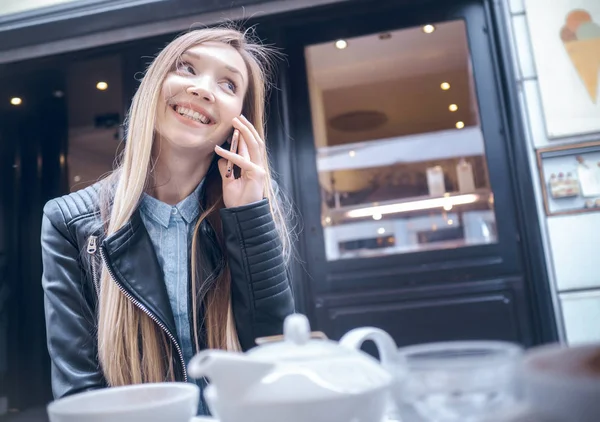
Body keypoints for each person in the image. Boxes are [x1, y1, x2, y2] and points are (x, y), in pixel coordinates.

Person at [40, 27, 295, 414]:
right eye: (186, 68)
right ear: (155, 86)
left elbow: (279, 359)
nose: (204, 89)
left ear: (240, 121)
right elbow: (81, 396)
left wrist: (248, 216)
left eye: (228, 84)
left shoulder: (252, 210)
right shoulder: (67, 221)